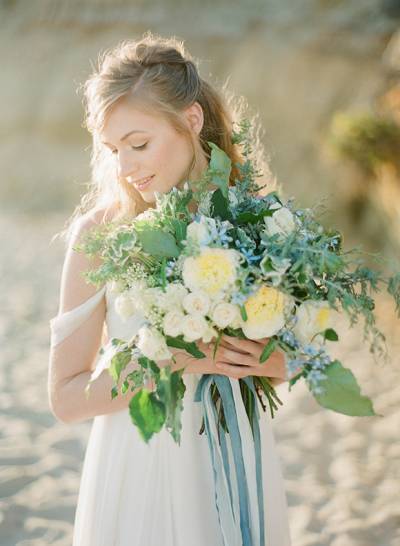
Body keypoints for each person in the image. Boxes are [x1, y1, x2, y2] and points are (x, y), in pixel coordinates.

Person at [48, 31, 292, 546]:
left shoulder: (257, 224)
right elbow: (66, 398)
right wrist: (176, 358)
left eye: (138, 145)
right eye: (113, 149)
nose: (125, 167)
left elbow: (289, 364)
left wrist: (265, 361)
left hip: (237, 457)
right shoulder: (99, 235)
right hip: (139, 464)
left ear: (191, 121)